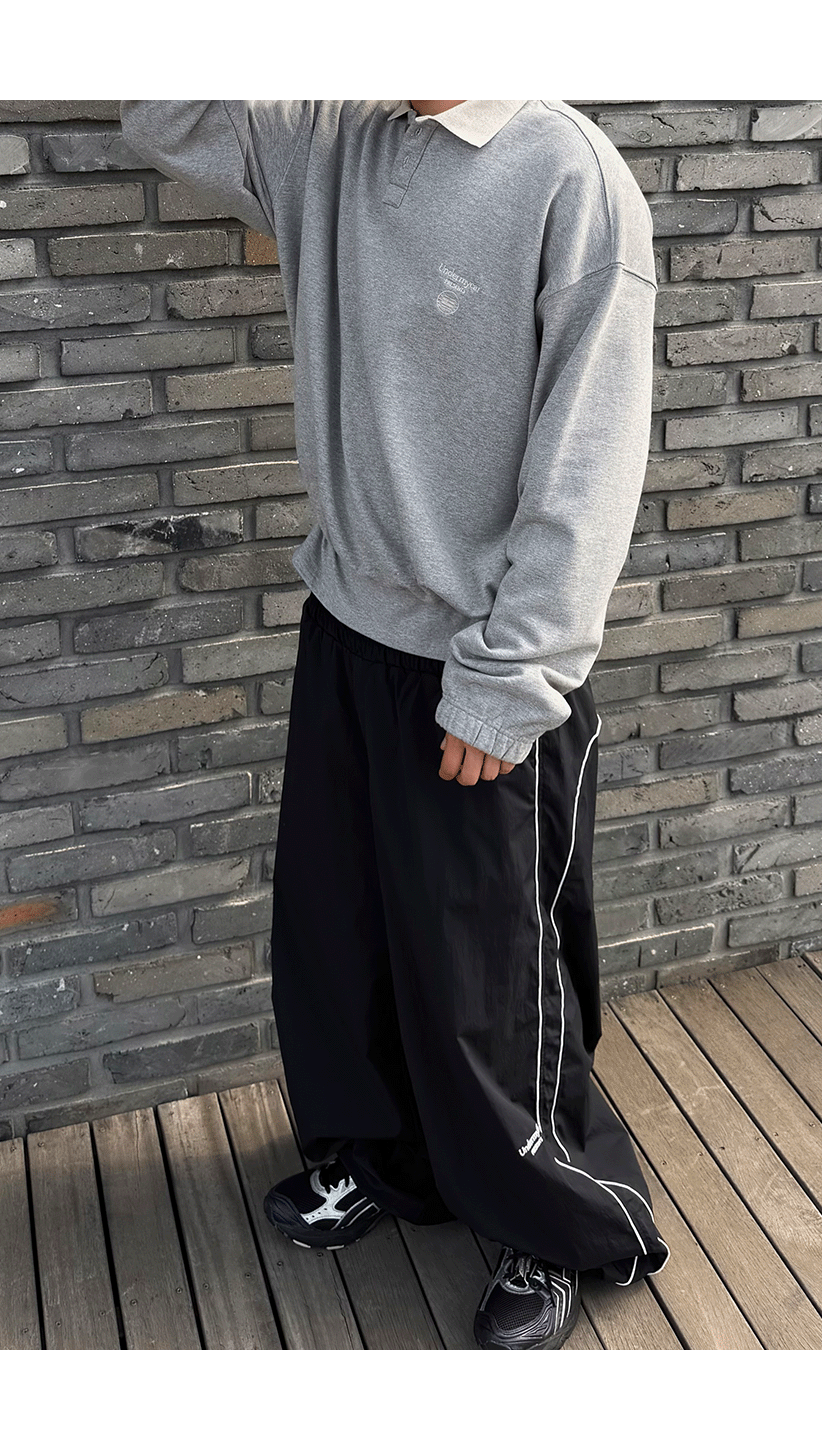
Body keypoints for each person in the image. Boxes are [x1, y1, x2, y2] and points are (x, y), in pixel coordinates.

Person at [119, 99, 667, 1348]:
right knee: (343, 936)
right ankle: (390, 1158)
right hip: (348, 626)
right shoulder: (329, 132)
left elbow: (591, 461)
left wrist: (508, 681)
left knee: (489, 978)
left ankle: (556, 1222)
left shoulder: (567, 177)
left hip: (483, 657)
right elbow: (160, 106)